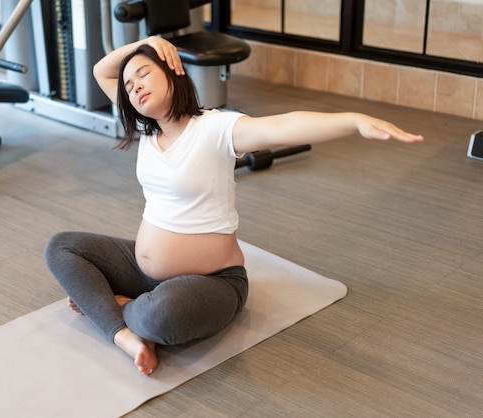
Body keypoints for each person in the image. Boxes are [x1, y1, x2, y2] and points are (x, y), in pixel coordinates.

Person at [45, 36, 424, 376]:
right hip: (145, 272)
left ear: (173, 71)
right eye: (129, 85)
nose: (134, 86)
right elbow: (101, 71)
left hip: (212, 283)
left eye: (144, 73)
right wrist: (147, 42)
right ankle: (126, 333)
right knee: (61, 246)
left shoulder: (214, 128)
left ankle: (119, 311)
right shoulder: (148, 130)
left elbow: (283, 127)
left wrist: (354, 120)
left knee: (163, 316)